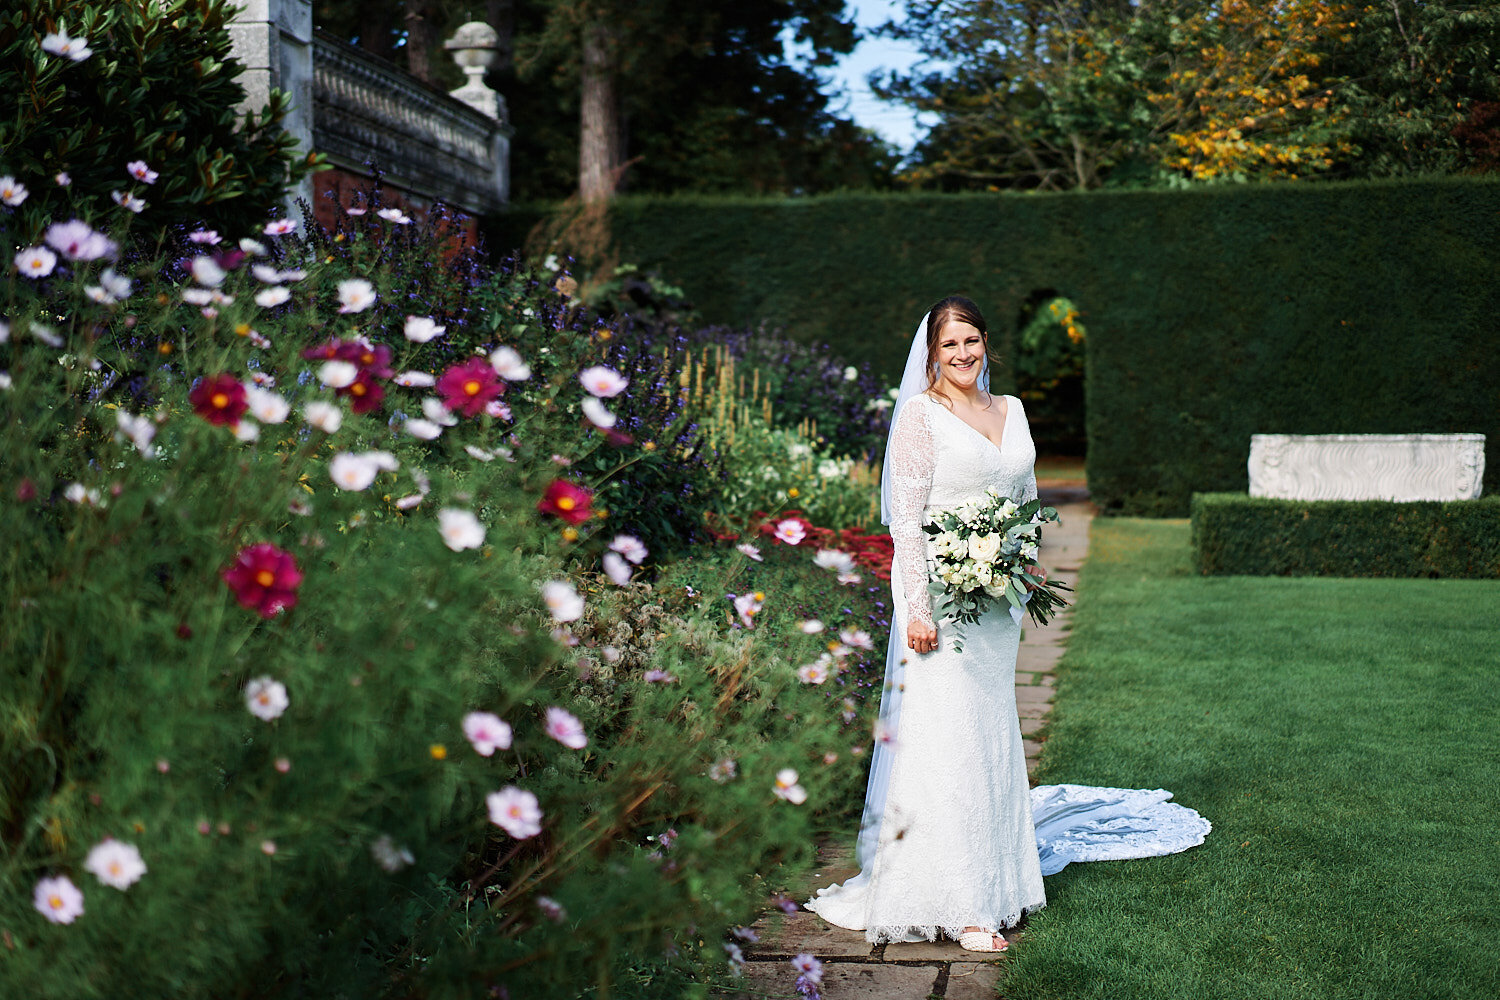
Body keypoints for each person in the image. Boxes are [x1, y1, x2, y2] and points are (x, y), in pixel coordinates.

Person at [805, 297, 1211, 952]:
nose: (962, 353)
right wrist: (918, 610)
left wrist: (1023, 570)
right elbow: (905, 523)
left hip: (998, 604)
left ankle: (998, 877)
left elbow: (1025, 501)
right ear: (932, 354)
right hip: (941, 605)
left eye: (970, 340)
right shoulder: (921, 417)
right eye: (949, 344)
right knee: (950, 737)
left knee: (990, 734)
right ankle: (965, 904)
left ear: (986, 343)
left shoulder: (1012, 410)